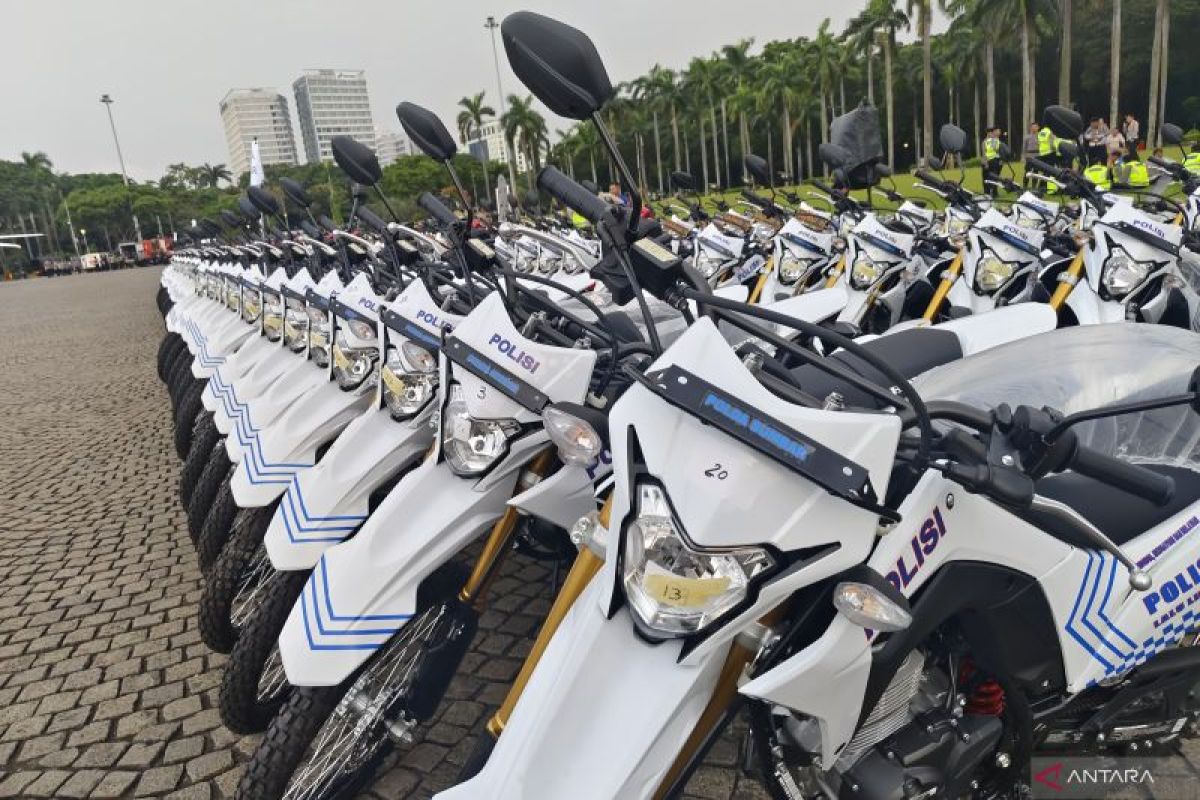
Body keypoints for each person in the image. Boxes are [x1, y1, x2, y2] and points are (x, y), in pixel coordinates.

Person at [982, 126, 1003, 196]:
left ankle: (994, 192)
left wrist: (1000, 160)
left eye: (993, 132)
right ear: (988, 133)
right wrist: (986, 164)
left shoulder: (995, 141)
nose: (992, 134)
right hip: (987, 162)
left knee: (995, 177)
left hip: (994, 162)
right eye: (991, 132)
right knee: (986, 178)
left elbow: (998, 151)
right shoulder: (985, 141)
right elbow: (984, 153)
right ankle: (986, 192)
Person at [1023, 123, 1041, 187]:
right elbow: (1024, 148)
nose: (1034, 128)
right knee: (1027, 171)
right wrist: (1025, 156)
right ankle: (1025, 186)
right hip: (1029, 156)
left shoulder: (1040, 136)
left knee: (1036, 172)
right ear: (1030, 128)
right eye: (1032, 127)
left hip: (1038, 156)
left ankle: (1034, 186)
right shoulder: (1027, 137)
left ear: (1038, 127)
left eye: (1035, 127)